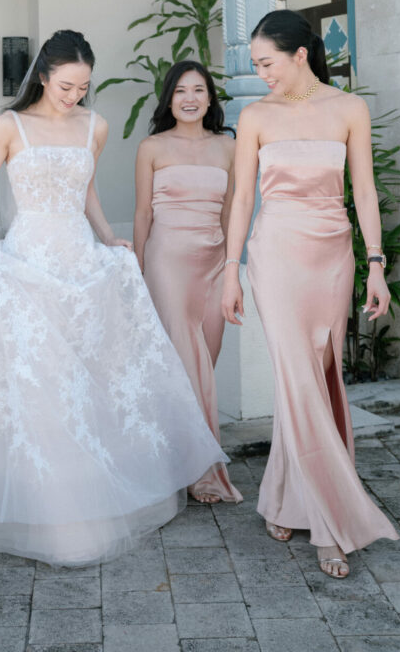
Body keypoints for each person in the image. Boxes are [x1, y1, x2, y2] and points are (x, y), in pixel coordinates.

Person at [0, 29, 227, 565]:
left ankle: (92, 484)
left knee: (85, 378)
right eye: (65, 85)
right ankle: (42, 496)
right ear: (43, 76)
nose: (73, 95)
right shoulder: (11, 125)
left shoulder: (94, 126)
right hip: (29, 260)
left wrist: (108, 238)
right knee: (39, 378)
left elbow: (87, 192)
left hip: (81, 261)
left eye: (82, 87)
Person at [221, 9, 398, 579]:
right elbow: (242, 200)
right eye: (255, 65)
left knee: (320, 377)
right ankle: (328, 522)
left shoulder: (349, 108)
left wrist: (376, 265)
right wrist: (230, 270)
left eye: (267, 62)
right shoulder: (255, 117)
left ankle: (283, 499)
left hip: (332, 255)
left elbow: (364, 192)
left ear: (300, 53)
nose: (261, 73)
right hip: (274, 254)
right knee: (295, 377)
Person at [134, 61, 241, 504]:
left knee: (204, 365)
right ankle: (199, 473)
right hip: (167, 263)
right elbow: (142, 214)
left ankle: (174, 453)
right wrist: (137, 273)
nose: (190, 98)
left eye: (199, 90)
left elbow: (232, 212)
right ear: (169, 99)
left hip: (215, 262)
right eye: (181, 91)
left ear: (211, 98)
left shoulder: (229, 147)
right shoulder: (152, 147)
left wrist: (233, 266)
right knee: (184, 363)